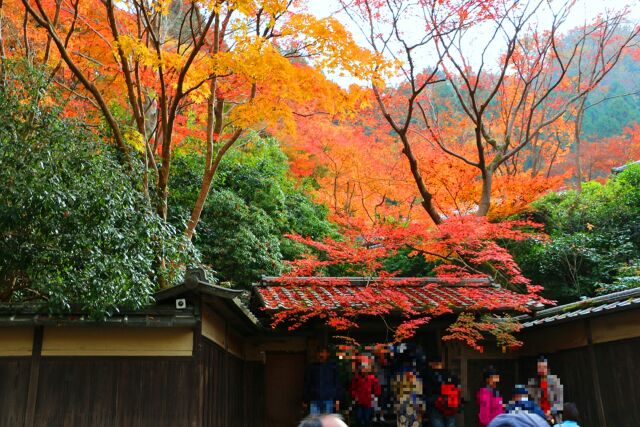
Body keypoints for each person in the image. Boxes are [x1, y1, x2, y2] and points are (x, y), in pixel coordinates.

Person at [304, 348, 342, 415]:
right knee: (315, 423)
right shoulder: (312, 367)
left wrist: (337, 400)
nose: (320, 354)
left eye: (322, 352)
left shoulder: (333, 367)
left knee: (326, 422)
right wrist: (305, 399)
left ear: (327, 354)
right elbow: (307, 384)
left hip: (328, 399)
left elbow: (337, 384)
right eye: (319, 353)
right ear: (316, 354)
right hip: (314, 399)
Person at [424, 356, 461, 427]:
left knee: (438, 422)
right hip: (449, 404)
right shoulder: (449, 374)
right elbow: (457, 387)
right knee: (450, 423)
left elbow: (428, 391)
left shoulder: (429, 375)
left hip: (435, 404)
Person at [528, 356, 563, 423]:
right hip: (538, 415)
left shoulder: (554, 381)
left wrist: (551, 412)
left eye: (544, 367)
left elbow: (559, 401)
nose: (542, 369)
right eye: (539, 367)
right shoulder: (533, 382)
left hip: (553, 416)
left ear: (548, 368)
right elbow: (531, 400)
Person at [392, 359, 425, 427]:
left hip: (413, 407)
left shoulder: (416, 380)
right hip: (405, 407)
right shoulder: (399, 380)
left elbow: (419, 395)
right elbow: (397, 395)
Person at [349, 360, 381, 427]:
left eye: (365, 368)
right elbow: (352, 389)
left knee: (367, 419)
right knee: (359, 417)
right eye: (362, 368)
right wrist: (355, 396)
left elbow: (377, 390)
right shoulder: (356, 378)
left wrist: (374, 396)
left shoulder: (372, 378)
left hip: (368, 402)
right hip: (359, 402)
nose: (364, 370)